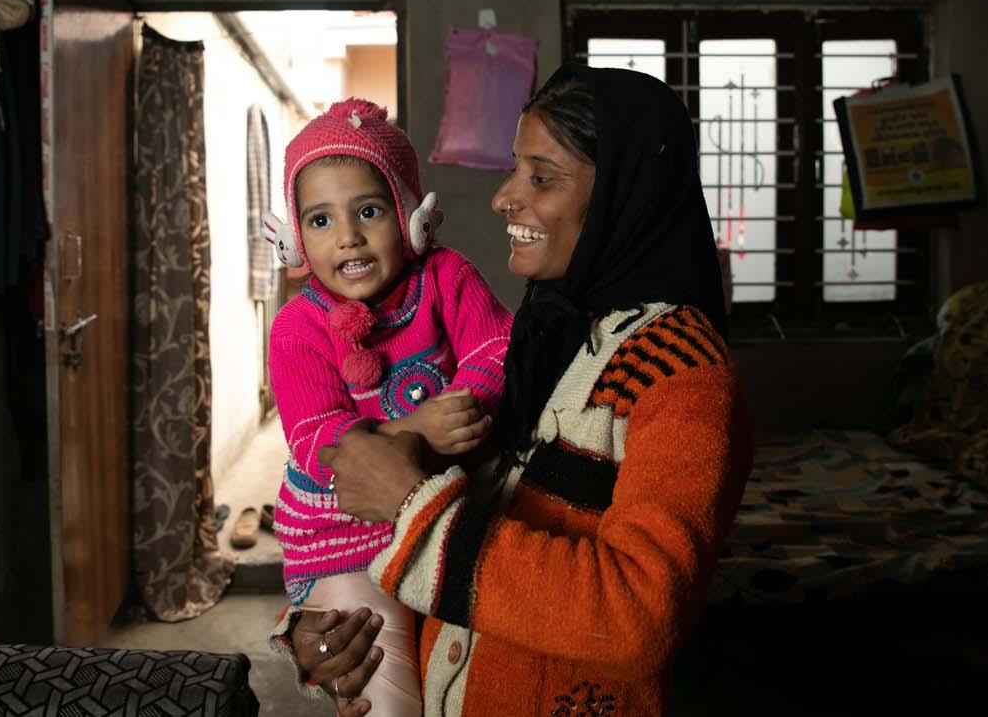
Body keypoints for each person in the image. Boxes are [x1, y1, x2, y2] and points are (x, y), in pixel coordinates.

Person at [274, 64, 753, 716]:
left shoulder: (681, 373)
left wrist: (414, 509)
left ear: (620, 191)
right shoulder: (547, 332)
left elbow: (638, 617)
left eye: (541, 177)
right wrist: (328, 630)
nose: (503, 198)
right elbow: (466, 537)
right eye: (514, 169)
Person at [261, 98, 515, 716]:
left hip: (442, 513)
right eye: (318, 221)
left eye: (369, 211)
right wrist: (420, 429)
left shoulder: (447, 276)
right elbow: (319, 444)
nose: (346, 236)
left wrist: (467, 402)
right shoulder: (297, 328)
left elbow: (500, 346)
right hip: (342, 539)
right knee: (388, 691)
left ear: (409, 219)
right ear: (295, 239)